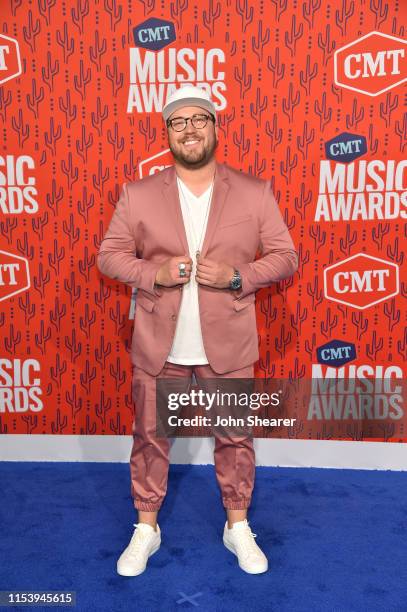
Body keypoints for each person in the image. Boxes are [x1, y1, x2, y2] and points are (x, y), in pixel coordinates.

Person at [97, 85, 298, 577]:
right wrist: (154, 274)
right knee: (150, 436)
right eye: (178, 121)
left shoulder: (254, 192)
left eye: (198, 119)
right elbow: (110, 254)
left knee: (235, 436)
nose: (189, 129)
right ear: (166, 133)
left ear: (214, 127)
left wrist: (236, 277)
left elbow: (285, 256)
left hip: (226, 343)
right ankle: (147, 527)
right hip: (157, 341)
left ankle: (237, 526)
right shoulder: (139, 193)